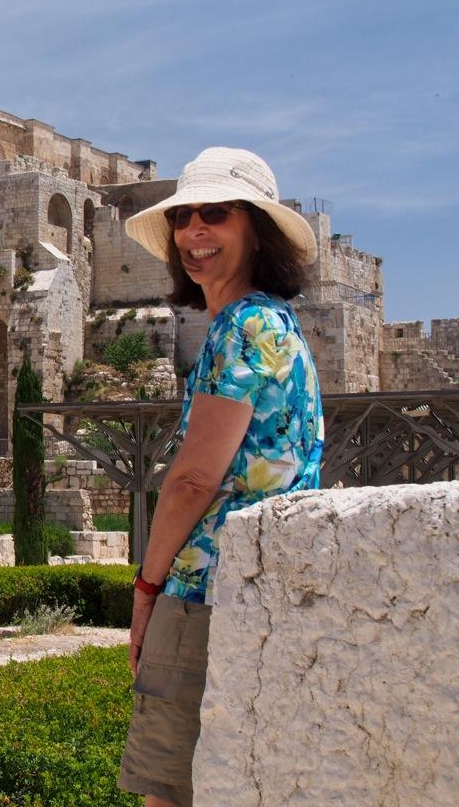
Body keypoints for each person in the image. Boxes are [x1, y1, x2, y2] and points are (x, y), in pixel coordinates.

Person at [116, 148, 324, 807]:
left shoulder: (243, 326)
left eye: (215, 215)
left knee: (165, 792)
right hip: (258, 588)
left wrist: (147, 586)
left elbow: (193, 479)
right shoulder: (275, 324)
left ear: (255, 232)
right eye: (183, 218)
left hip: (205, 589)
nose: (193, 234)